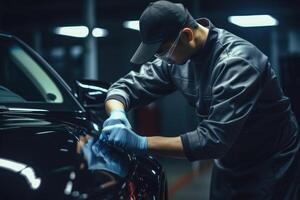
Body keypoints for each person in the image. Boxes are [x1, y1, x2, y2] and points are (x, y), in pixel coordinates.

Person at [96, 1, 300, 199]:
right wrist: (117, 113)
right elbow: (125, 87)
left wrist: (141, 143)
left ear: (186, 35)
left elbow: (212, 140)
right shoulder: (177, 57)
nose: (162, 59)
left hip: (270, 165)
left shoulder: (237, 63)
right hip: (229, 162)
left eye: (163, 52)